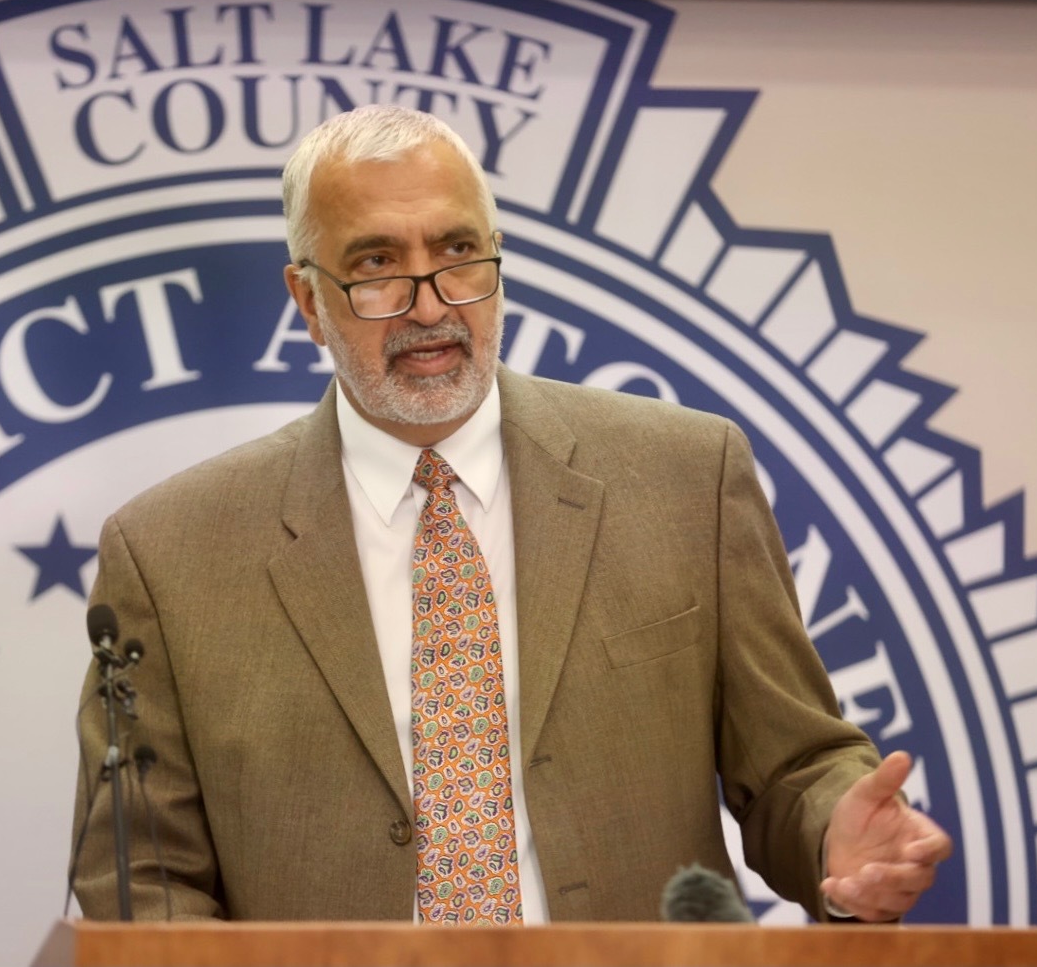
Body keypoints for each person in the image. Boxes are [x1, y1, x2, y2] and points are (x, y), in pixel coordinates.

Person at [71, 104, 950, 925]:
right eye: (377, 265)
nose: (429, 303)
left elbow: (793, 763)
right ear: (308, 299)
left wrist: (838, 831)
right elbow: (142, 877)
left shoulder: (687, 478)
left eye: (457, 252)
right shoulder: (171, 553)